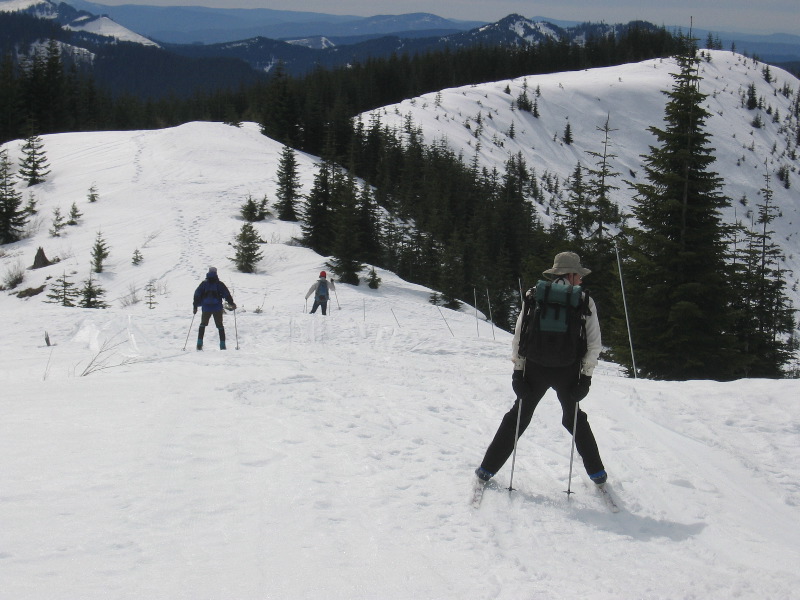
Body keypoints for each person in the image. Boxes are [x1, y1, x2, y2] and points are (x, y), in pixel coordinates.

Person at [475, 251, 607, 488]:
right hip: (568, 370)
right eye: (579, 275)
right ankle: (597, 474)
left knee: (518, 417)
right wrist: (585, 378)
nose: (581, 279)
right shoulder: (584, 300)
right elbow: (594, 342)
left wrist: (518, 371)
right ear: (571, 274)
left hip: (534, 368)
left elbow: (520, 334)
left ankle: (486, 470)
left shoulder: (534, 295)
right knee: (574, 419)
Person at [193, 267, 235, 350]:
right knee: (220, 326)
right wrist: (231, 303)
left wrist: (195, 306)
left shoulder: (204, 284)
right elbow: (226, 294)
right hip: (217, 308)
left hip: (206, 307)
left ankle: (199, 344)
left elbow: (197, 294)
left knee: (203, 324)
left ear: (208, 273)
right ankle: (222, 345)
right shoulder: (219, 284)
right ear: (216, 273)